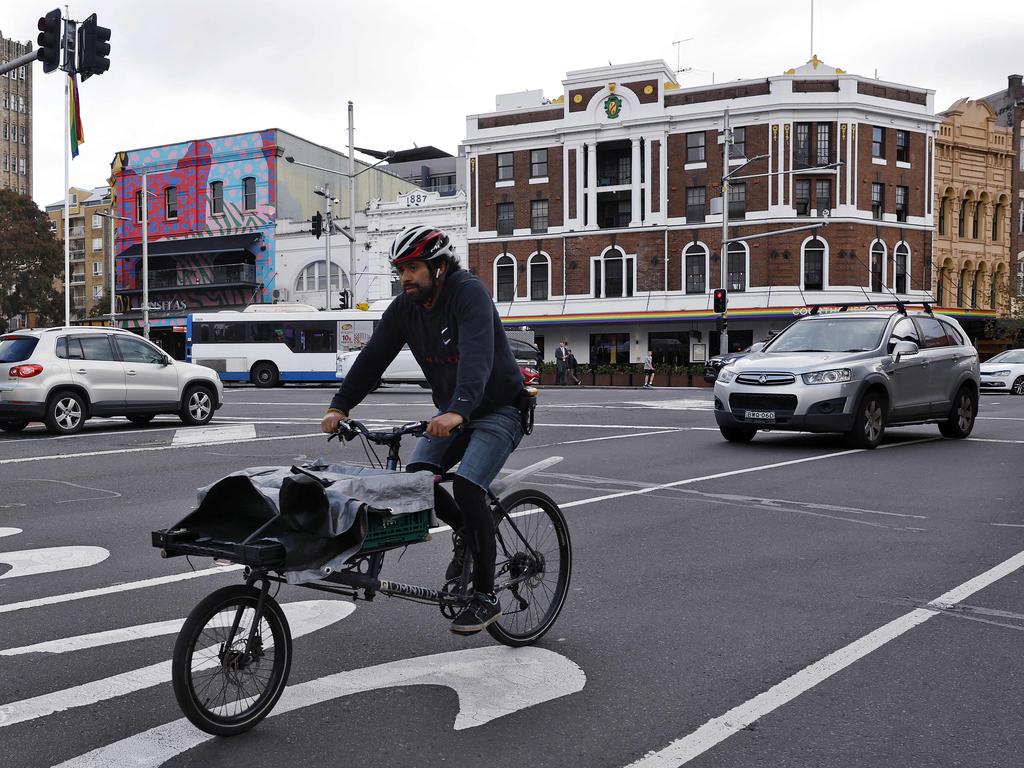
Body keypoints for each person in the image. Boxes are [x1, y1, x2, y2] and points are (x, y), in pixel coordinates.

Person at [321, 224, 525, 635]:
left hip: (500, 408)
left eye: (413, 268)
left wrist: (460, 409)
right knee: (417, 480)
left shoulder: (469, 293)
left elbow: (477, 356)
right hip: (453, 412)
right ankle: (467, 530)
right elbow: (373, 357)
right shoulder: (405, 308)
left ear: (439, 266)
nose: (405, 278)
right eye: (400, 270)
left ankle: (486, 596)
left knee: (468, 488)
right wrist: (340, 405)